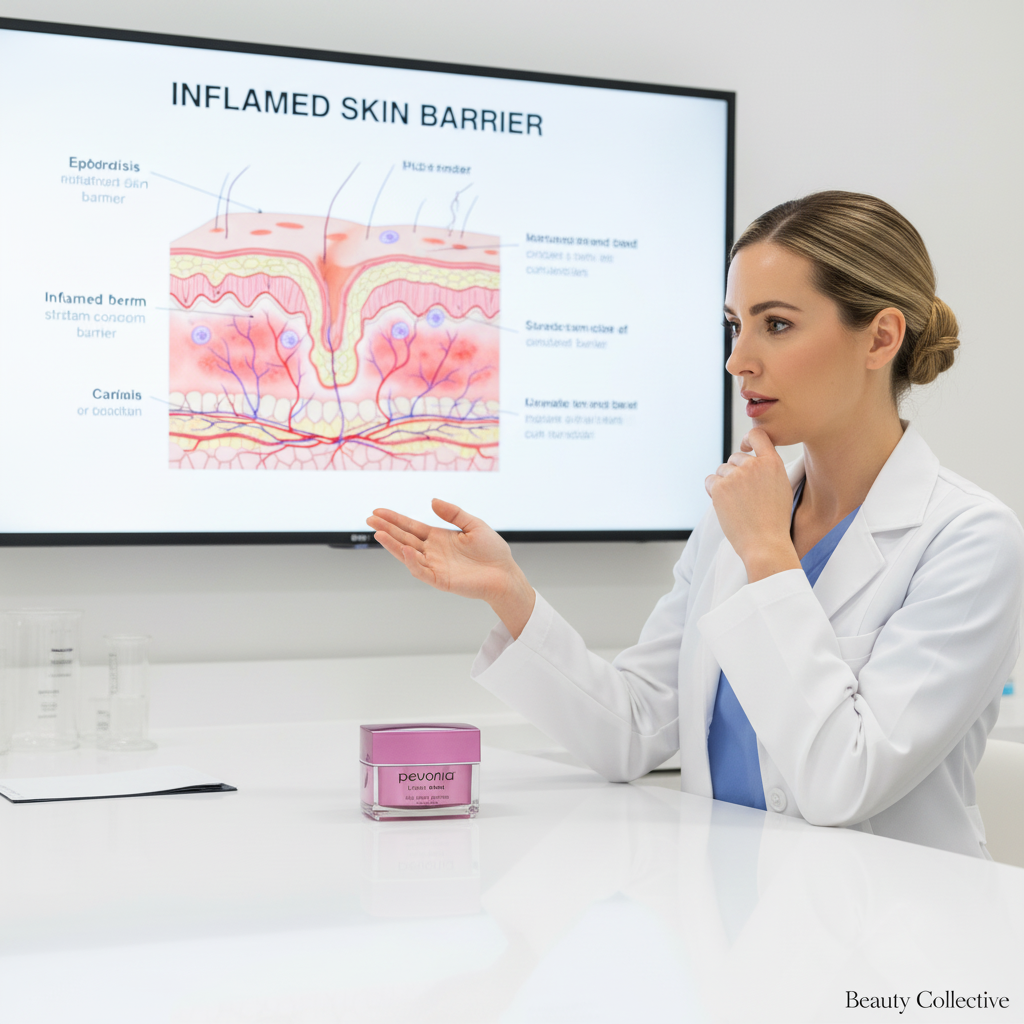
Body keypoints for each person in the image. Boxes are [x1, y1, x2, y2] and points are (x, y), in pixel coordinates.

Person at [367, 191, 1023, 859]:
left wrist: (768, 553)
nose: (739, 360)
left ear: (881, 337)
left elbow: (843, 781)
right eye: (734, 325)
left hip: (889, 939)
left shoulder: (968, 539)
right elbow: (633, 730)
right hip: (727, 922)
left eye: (777, 325)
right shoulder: (738, 516)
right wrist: (511, 596)